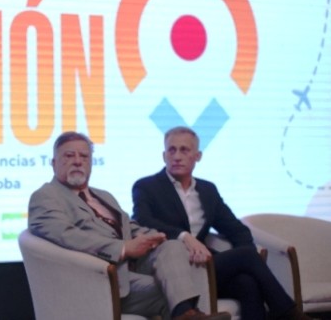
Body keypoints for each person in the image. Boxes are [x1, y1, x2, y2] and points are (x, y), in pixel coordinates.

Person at [28, 131, 230, 320]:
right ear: (53, 163)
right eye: (69, 156)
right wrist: (123, 248)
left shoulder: (103, 195)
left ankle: (186, 314)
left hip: (130, 268)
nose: (78, 161)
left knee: (172, 246)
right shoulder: (45, 197)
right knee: (173, 292)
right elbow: (66, 235)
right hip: (98, 278)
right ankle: (187, 314)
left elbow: (129, 226)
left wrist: (153, 237)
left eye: (84, 156)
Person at [132, 126, 310, 320]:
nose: (177, 156)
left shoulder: (207, 190)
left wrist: (242, 261)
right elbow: (143, 220)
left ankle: (287, 313)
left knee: (247, 282)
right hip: (172, 268)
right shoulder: (146, 186)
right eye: (171, 150)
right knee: (248, 258)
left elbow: (237, 230)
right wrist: (184, 237)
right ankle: (289, 314)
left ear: (198, 156)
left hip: (203, 264)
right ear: (163, 155)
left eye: (184, 150)